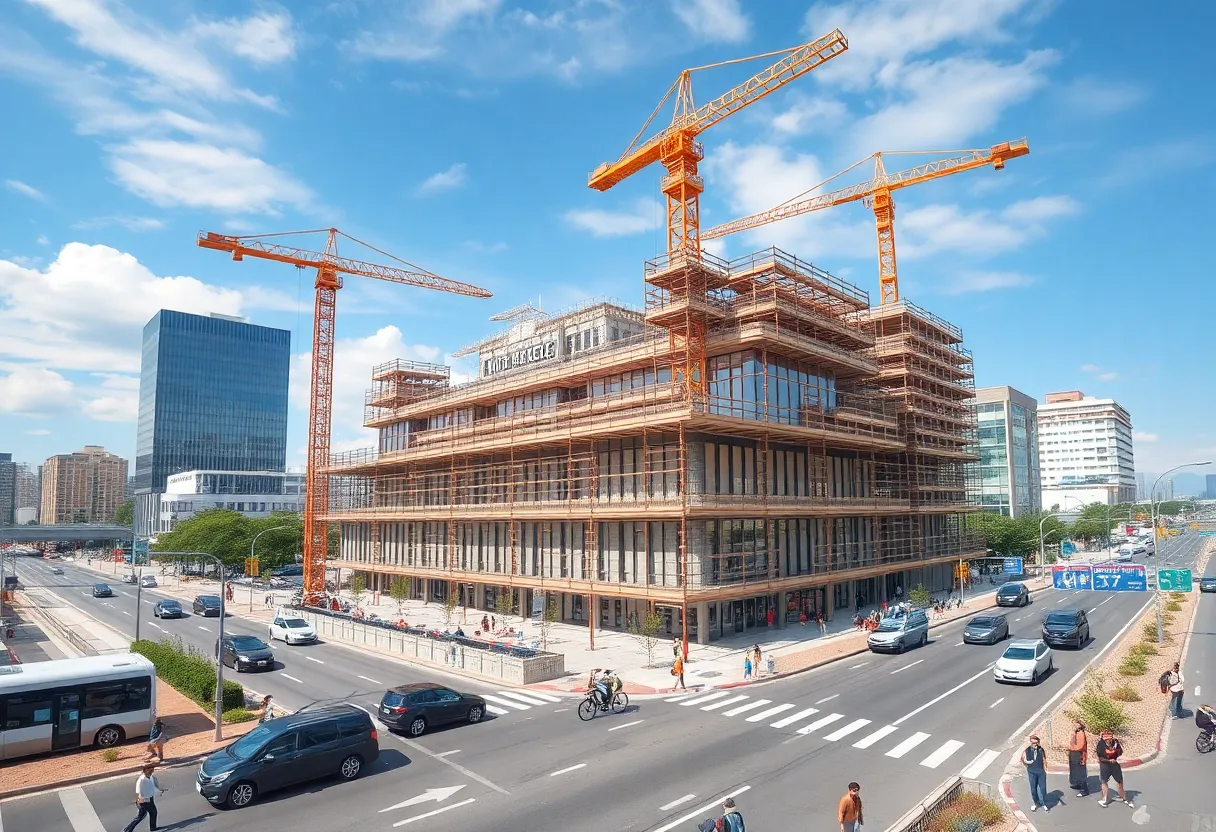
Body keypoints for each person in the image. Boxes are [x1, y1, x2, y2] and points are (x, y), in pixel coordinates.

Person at [1095, 729, 1134, 808]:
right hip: (1105, 765)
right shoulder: (1101, 744)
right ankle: (1104, 799)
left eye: (1110, 737)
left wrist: (1116, 751)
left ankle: (1124, 798)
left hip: (1114, 765)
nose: (1108, 740)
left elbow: (1120, 752)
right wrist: (1109, 760)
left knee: (1120, 782)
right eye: (1106, 738)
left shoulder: (1115, 742)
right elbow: (1100, 758)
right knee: (1104, 781)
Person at [122, 764, 167, 832]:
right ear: (145, 771)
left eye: (152, 770)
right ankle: (128, 829)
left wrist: (159, 791)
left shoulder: (151, 778)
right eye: (150, 770)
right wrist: (141, 800)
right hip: (143, 799)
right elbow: (139, 791)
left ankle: (152, 827)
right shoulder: (142, 779)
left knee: (150, 813)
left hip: (149, 798)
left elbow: (153, 787)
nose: (151, 772)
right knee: (144, 814)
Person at [1022, 734, 1048, 812]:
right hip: (1032, 772)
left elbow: (1044, 759)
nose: (1035, 745)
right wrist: (1027, 764)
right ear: (1031, 743)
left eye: (1037, 743)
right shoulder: (1027, 750)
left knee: (1042, 788)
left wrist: (1045, 769)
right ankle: (1036, 803)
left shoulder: (1041, 750)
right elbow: (1023, 759)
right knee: (1033, 789)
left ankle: (1043, 803)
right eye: (1033, 743)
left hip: (1041, 771)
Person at [1067, 720, 1089, 796]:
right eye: (1073, 724)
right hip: (1075, 756)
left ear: (1080, 725)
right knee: (1075, 771)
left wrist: (1069, 747)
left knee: (1080, 773)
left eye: (1076, 724)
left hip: (1079, 756)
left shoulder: (1080, 734)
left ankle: (1084, 790)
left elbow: (1080, 747)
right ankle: (1078, 784)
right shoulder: (1076, 733)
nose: (1074, 726)